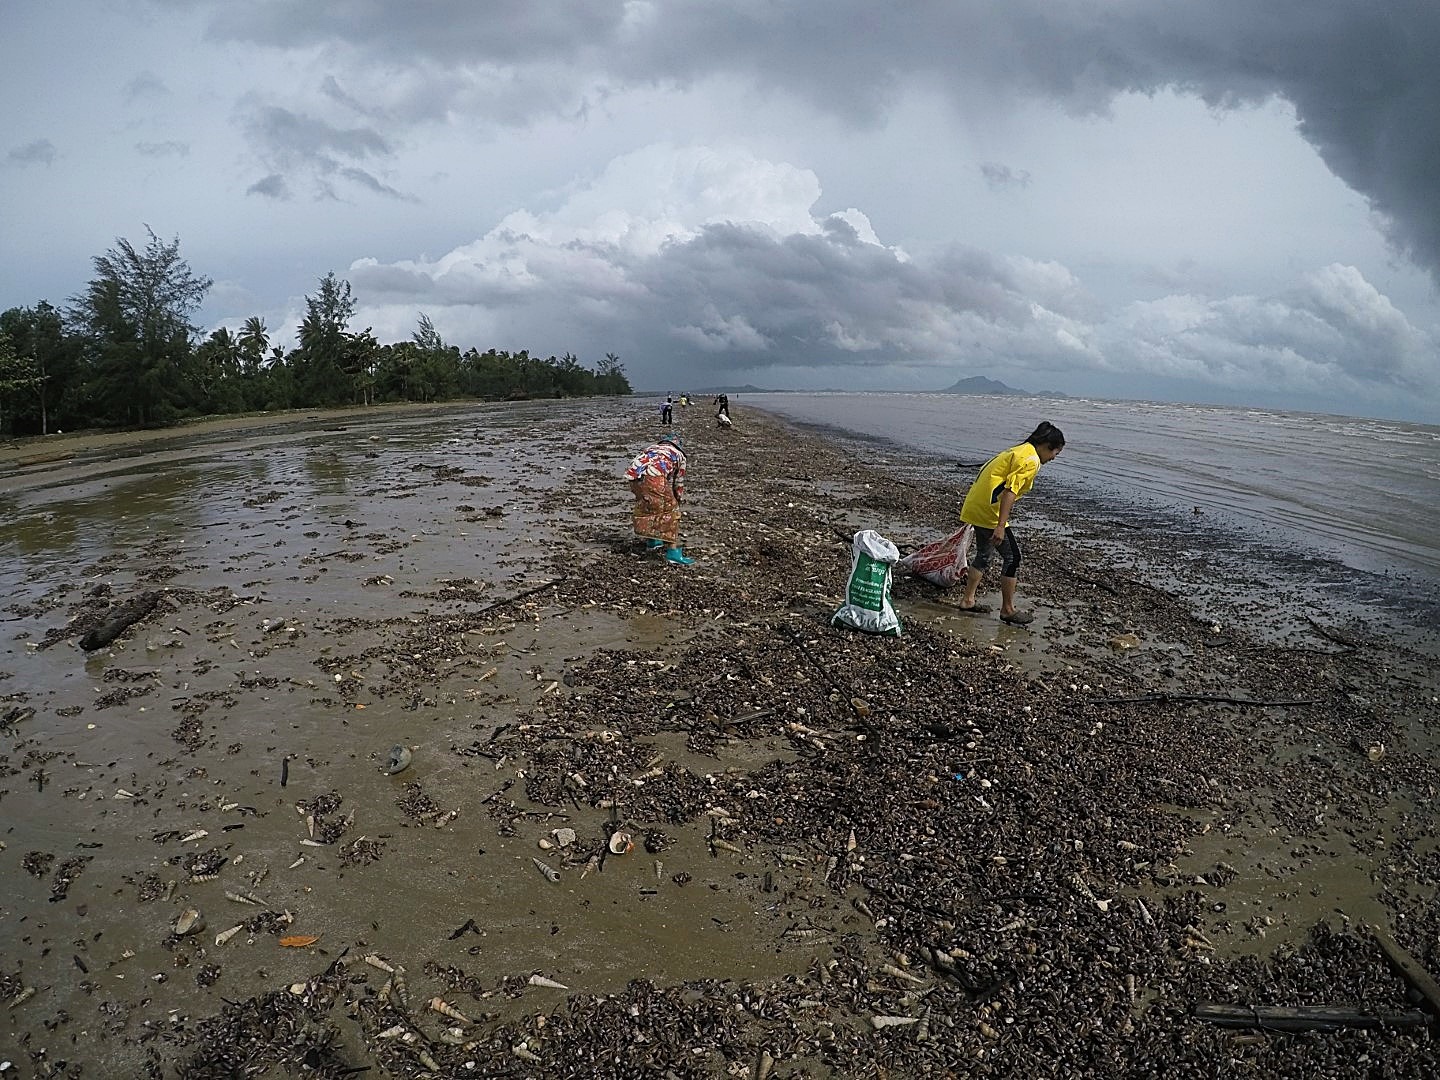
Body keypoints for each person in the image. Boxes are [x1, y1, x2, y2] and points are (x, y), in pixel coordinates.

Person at [956, 421, 1065, 624]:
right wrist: (1000, 526)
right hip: (989, 511)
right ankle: (1007, 609)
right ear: (1046, 446)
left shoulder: (1020, 450)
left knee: (984, 554)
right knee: (1012, 557)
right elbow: (1010, 492)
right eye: (1055, 453)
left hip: (976, 506)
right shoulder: (1031, 460)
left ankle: (967, 600)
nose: (1053, 458)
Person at [626, 432, 694, 565]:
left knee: (647, 507)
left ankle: (652, 541)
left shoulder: (651, 448)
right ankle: (672, 553)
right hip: (654, 477)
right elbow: (678, 483)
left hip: (634, 477)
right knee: (671, 512)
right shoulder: (679, 455)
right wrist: (677, 499)